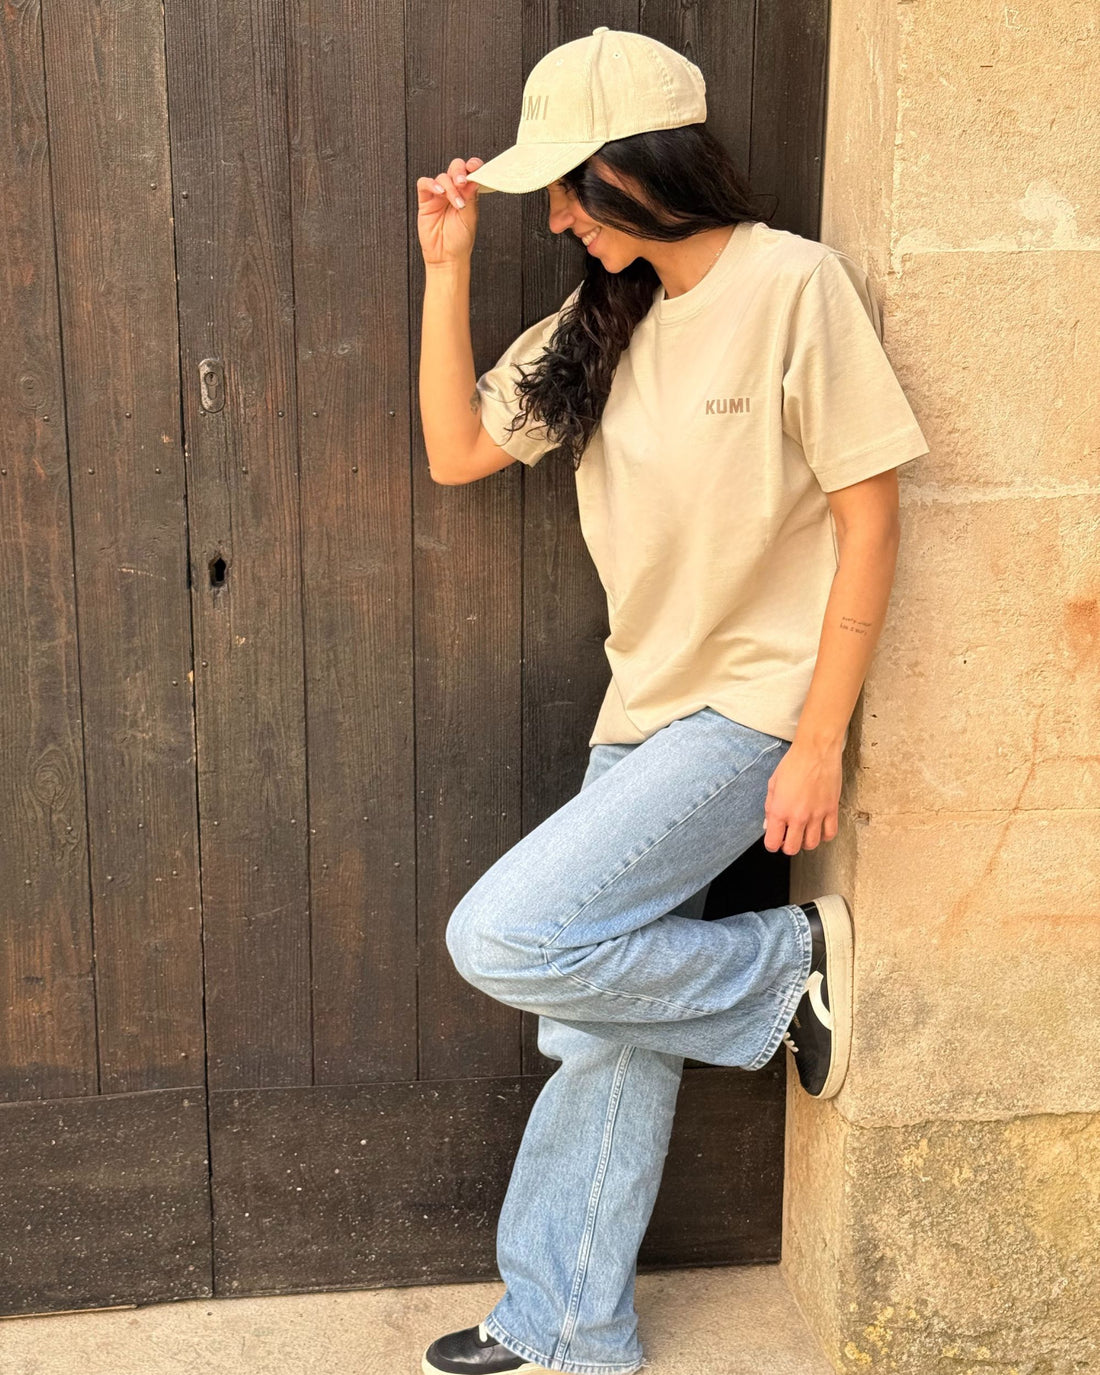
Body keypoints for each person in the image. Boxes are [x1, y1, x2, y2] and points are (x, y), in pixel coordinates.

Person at [414, 26, 929, 1375]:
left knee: (508, 937)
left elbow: (872, 521)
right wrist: (451, 269)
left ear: (647, 169)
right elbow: (461, 449)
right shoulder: (602, 316)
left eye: (575, 188)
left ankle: (784, 968)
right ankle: (569, 1327)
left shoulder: (790, 287)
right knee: (595, 1024)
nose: (563, 218)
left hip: (752, 711)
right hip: (638, 716)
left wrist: (818, 738)